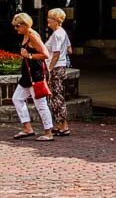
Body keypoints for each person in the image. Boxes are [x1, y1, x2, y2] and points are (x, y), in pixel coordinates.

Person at [9, 13, 55, 141]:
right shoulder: (25, 35)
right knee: (17, 98)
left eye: (17, 26)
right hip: (27, 75)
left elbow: (45, 54)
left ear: (25, 24)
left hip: (35, 74)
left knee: (40, 103)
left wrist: (29, 55)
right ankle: (27, 127)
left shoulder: (33, 36)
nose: (16, 29)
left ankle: (48, 131)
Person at [43, 8, 74, 137]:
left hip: (55, 68)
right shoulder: (62, 33)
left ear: (56, 20)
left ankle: (64, 125)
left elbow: (56, 54)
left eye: (50, 18)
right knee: (56, 95)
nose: (48, 20)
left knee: (57, 96)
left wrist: (49, 69)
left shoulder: (56, 35)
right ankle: (58, 124)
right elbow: (70, 50)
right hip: (61, 67)